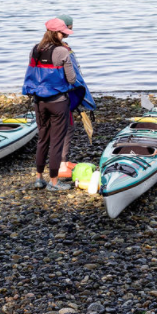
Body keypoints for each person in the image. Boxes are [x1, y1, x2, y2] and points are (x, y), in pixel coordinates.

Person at [22, 18, 92, 191]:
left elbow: (32, 73)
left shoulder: (35, 49)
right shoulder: (62, 51)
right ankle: (54, 182)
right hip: (58, 102)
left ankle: (39, 179)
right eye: (63, 33)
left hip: (39, 101)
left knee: (42, 139)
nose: (65, 36)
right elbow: (72, 79)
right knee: (56, 141)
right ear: (56, 33)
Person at [56, 14, 96, 173]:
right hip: (63, 95)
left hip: (48, 95)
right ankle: (61, 165)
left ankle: (64, 162)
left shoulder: (43, 47)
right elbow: (74, 78)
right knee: (67, 128)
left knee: (60, 128)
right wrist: (86, 99)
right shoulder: (64, 50)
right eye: (70, 28)